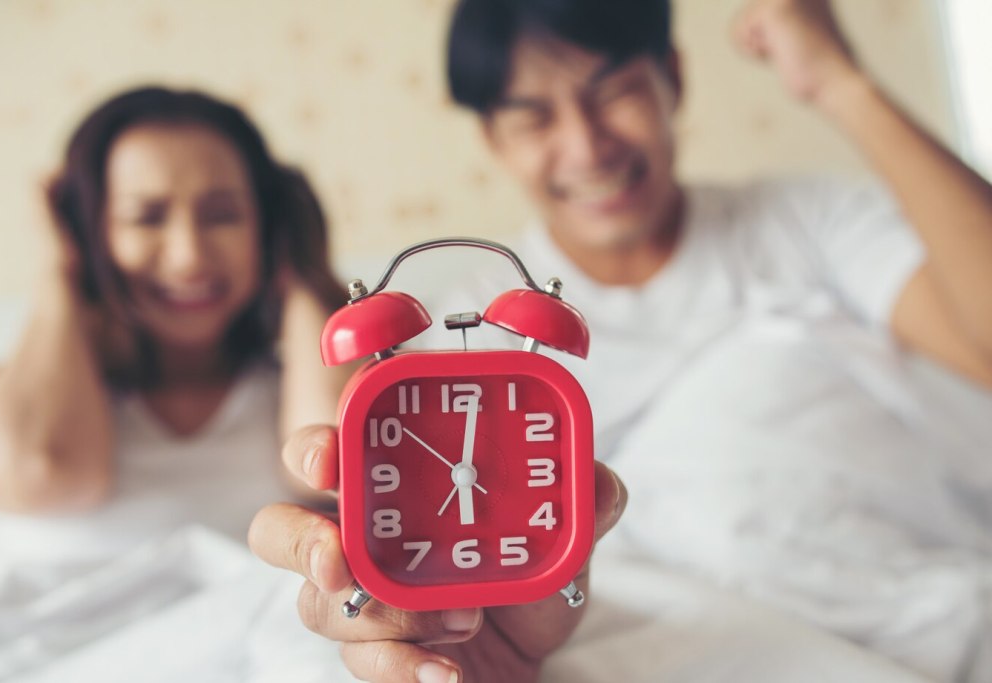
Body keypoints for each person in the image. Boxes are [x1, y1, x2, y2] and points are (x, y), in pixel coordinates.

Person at [249, 0, 992, 681]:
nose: (586, 147)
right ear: (492, 138)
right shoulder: (459, 338)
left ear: (674, 79)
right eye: (533, 117)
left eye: (614, 93)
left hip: (904, 598)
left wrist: (838, 82)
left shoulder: (809, 224)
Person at [0, 86, 348, 545]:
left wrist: (301, 269)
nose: (189, 257)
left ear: (266, 229)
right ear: (88, 236)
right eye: (146, 218)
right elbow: (41, 472)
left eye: (221, 215)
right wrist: (58, 273)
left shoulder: (291, 388)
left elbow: (346, 473)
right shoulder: (9, 398)